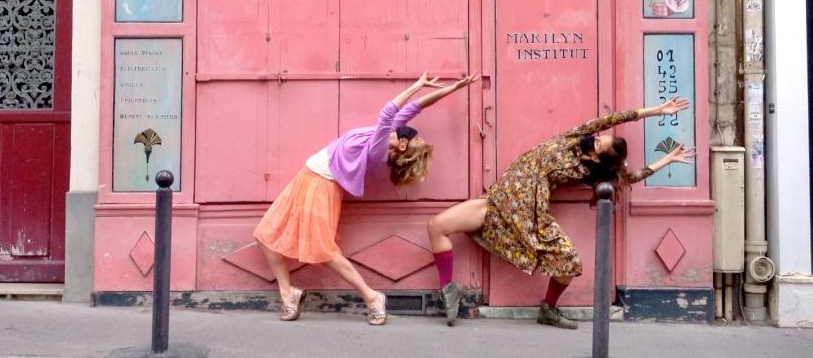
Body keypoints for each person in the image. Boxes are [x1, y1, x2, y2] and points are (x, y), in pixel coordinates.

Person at [426, 96, 695, 328]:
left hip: (530, 213)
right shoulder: (574, 137)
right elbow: (614, 118)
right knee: (436, 226)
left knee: (570, 263)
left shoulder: (584, 170)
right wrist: (656, 111)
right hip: (498, 200)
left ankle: (549, 309)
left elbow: (629, 177)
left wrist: (666, 160)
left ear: (597, 159)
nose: (594, 140)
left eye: (598, 145)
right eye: (599, 137)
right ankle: (450, 288)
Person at [254, 72, 478, 326]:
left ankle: (372, 298)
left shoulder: (379, 147)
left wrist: (416, 84)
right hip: (308, 176)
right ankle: (288, 293)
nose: (409, 131)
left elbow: (387, 112)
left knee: (324, 251)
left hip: (320, 183)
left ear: (402, 146)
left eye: (414, 138)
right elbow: (416, 107)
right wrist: (452, 89)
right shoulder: (389, 135)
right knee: (265, 235)